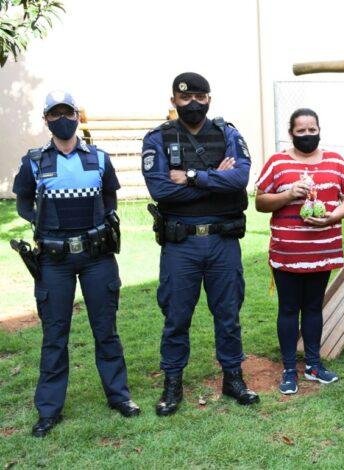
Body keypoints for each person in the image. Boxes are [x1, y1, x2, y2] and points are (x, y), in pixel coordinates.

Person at [13, 91, 139, 437]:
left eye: (67, 113)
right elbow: (23, 201)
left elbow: (110, 195)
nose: (61, 119)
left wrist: (103, 221)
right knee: (55, 335)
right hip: (54, 261)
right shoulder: (35, 161)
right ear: (46, 121)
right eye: (54, 115)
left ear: (77, 116)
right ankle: (49, 411)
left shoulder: (98, 158)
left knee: (106, 331)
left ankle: (119, 397)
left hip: (97, 257)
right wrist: (44, 224)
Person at [142, 72, 258, 416]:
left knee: (228, 314)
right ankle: (173, 383)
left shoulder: (227, 133)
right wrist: (216, 180)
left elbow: (240, 179)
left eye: (199, 96)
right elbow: (161, 190)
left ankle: (233, 378)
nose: (193, 102)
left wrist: (192, 177)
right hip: (182, 244)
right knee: (177, 316)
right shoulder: (158, 138)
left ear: (210, 98)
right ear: (173, 100)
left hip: (222, 240)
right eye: (185, 97)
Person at [256, 108, 344, 394]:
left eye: (312, 129)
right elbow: (260, 202)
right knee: (289, 308)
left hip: (321, 249)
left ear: (319, 130)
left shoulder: (335, 161)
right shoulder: (277, 162)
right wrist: (289, 194)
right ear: (291, 133)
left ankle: (313, 365)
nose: (307, 135)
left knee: (314, 307)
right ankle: (289, 369)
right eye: (301, 131)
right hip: (287, 250)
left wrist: (333, 216)